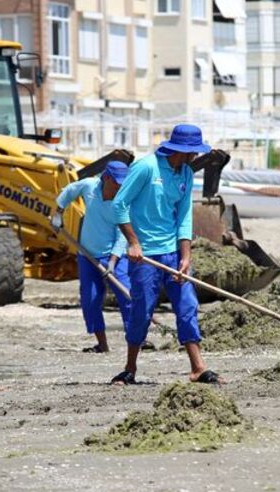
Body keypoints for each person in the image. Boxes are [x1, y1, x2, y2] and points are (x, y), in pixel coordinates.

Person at [112, 124, 222, 385]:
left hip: (172, 253)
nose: (195, 157)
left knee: (187, 306)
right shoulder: (146, 167)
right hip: (145, 256)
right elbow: (119, 205)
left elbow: (184, 216)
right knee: (142, 310)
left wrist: (186, 256)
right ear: (180, 150)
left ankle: (197, 367)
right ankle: (130, 368)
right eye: (192, 152)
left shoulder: (185, 173)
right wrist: (133, 243)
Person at [52, 161, 132, 353]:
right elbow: (70, 190)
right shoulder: (90, 186)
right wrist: (58, 213)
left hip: (115, 256)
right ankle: (102, 344)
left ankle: (136, 339)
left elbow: (123, 235)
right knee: (91, 299)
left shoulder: (124, 199)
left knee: (128, 296)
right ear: (105, 178)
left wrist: (112, 261)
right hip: (87, 255)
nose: (120, 187)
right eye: (116, 183)